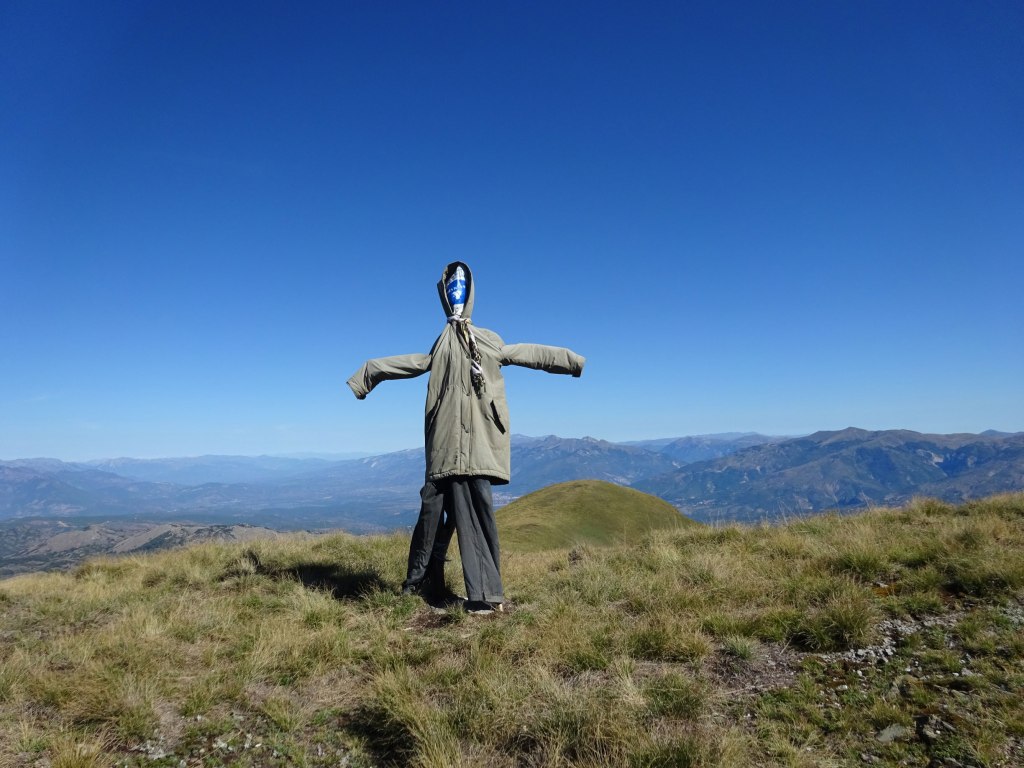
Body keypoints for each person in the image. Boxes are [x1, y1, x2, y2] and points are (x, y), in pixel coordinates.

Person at [347, 262, 585, 612]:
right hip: (443, 446)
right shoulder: (441, 345)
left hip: (475, 447)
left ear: (469, 295)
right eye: (450, 289)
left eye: (461, 289)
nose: (456, 295)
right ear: (444, 297)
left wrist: (572, 361)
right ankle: (420, 586)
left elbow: (530, 353)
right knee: (431, 514)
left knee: (474, 515)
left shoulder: (487, 341)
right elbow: (410, 363)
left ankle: (485, 597)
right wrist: (366, 374)